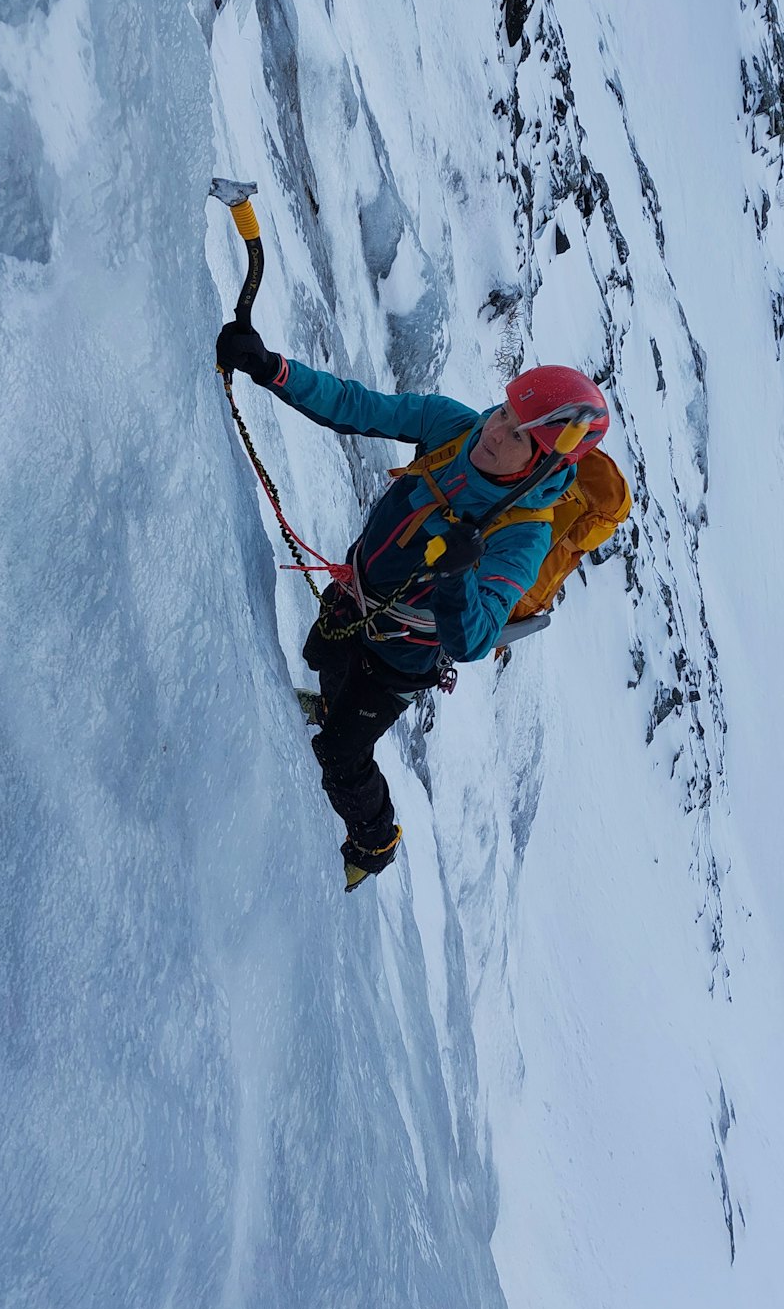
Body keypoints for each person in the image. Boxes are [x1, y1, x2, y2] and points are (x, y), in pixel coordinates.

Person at [216, 321, 611, 890]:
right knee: (322, 656)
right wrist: (273, 369)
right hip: (357, 595)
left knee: (339, 758)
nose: (494, 432)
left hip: (405, 659)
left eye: (519, 436)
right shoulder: (454, 427)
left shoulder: (523, 537)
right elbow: (359, 406)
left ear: (545, 464)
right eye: (503, 411)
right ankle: (335, 706)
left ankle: (375, 841)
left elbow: (473, 640)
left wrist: (455, 577)